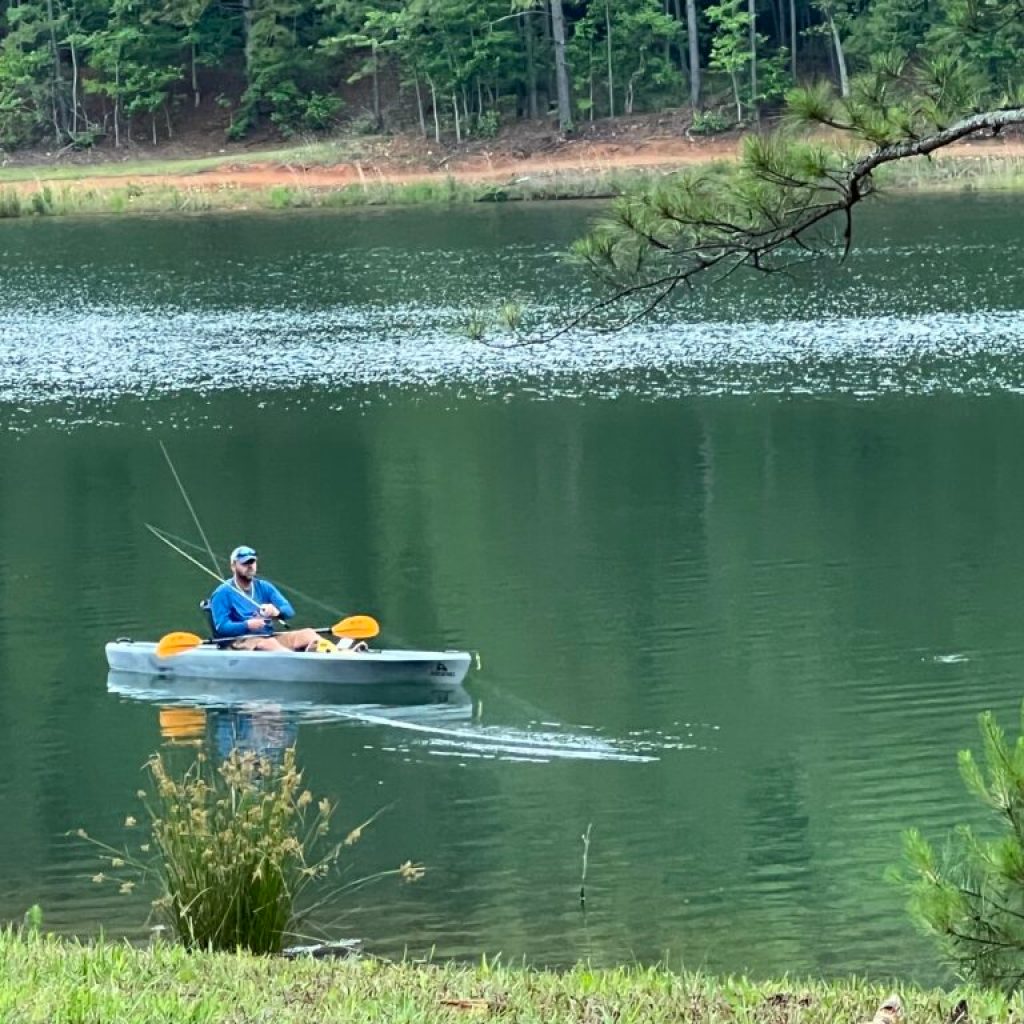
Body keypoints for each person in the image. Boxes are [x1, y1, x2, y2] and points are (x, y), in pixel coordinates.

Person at [208, 545, 321, 652]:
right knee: (269, 644)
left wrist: (276, 612)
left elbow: (289, 611)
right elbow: (222, 627)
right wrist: (247, 625)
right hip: (239, 641)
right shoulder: (222, 593)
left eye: (252, 562)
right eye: (245, 563)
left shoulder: (264, 587)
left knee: (308, 633)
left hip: (268, 637)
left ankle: (323, 652)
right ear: (233, 566)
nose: (250, 566)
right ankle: (293, 658)